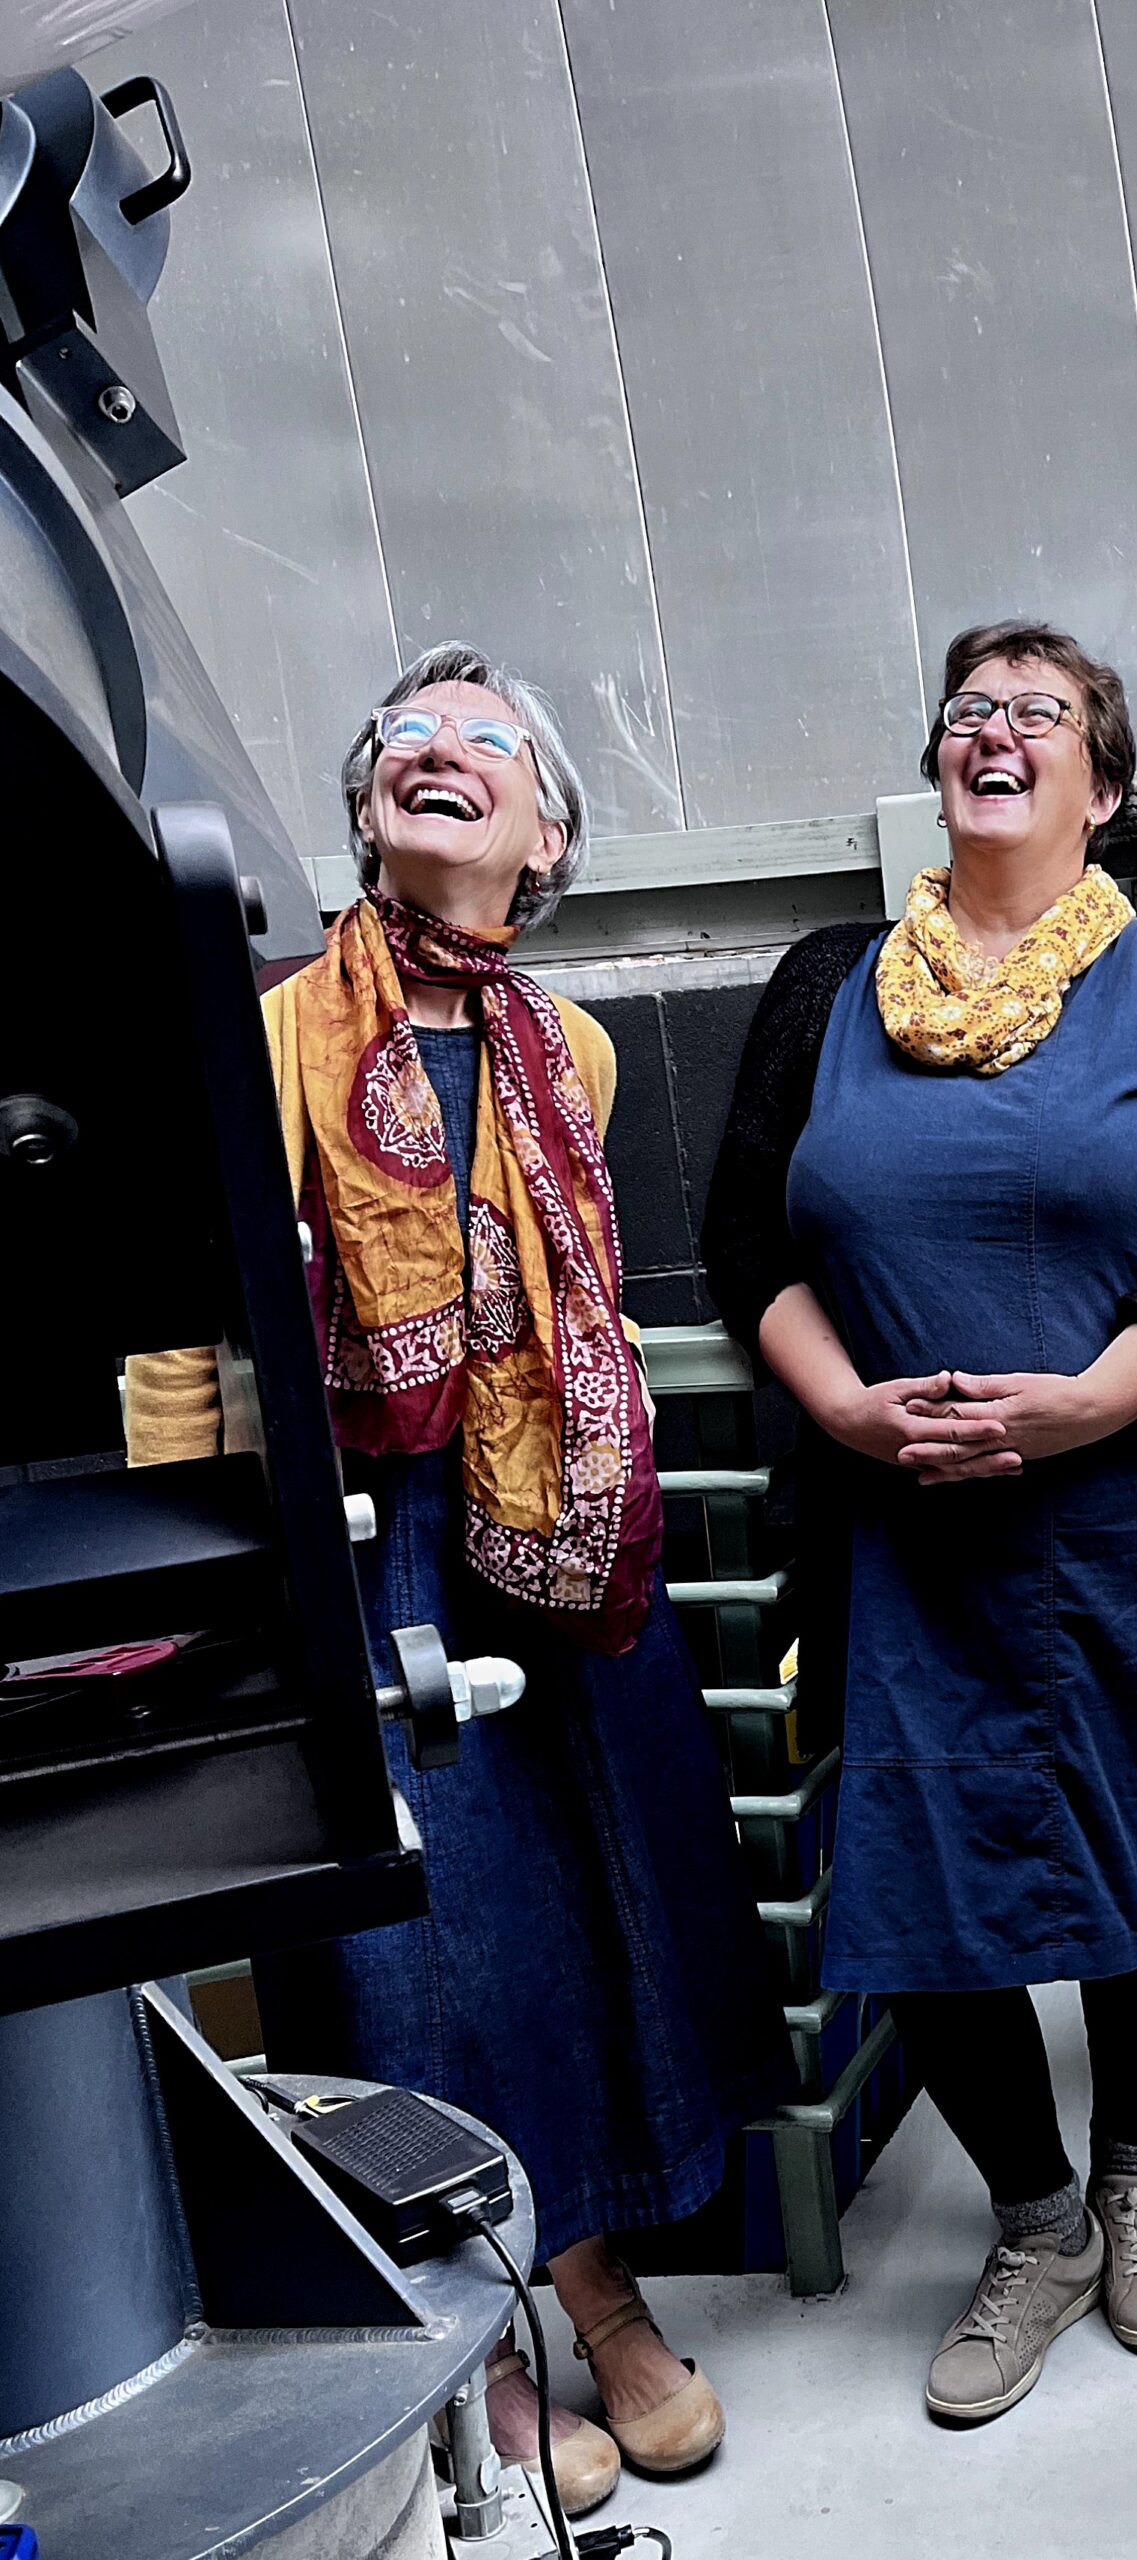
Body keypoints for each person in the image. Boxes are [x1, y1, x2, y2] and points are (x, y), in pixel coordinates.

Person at [127, 645, 791, 2518]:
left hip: (549, 1547)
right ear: (363, 813)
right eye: (403, 740)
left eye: (486, 741)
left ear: (547, 837)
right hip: (361, 1540)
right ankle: (479, 2341)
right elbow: (181, 1314)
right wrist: (203, 1582)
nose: (438, 753)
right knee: (417, 1950)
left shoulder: (570, 1047)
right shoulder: (265, 1027)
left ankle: (602, 2285)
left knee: (588, 1916)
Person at [702, 618, 1137, 2424]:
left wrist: (1094, 1401)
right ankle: (1034, 2223)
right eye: (970, 710)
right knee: (927, 1881)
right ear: (939, 766)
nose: (996, 731)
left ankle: (1133, 2174)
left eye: (1040, 713)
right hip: (909, 1539)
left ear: (1100, 787)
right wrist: (841, 1404)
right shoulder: (828, 984)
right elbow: (745, 1235)